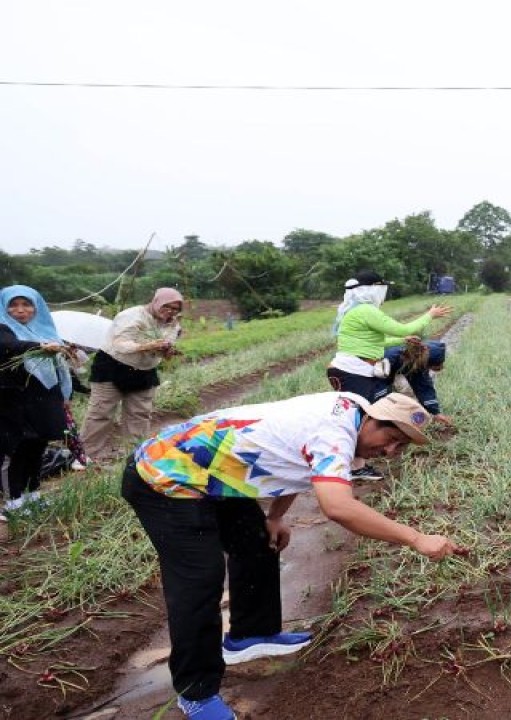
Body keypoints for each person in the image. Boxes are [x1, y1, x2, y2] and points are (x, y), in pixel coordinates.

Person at [122, 391, 465, 720]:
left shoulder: (352, 412)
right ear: (372, 419)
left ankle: (250, 635)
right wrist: (416, 538)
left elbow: (289, 463)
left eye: (400, 446)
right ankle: (195, 692)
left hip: (214, 470)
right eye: (390, 438)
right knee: (199, 580)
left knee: (258, 541)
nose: (390, 451)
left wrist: (275, 517)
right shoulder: (334, 434)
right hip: (166, 474)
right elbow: (338, 507)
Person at [327, 271, 452, 480]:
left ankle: (357, 464)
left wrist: (404, 339)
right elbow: (403, 328)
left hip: (352, 370)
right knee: (366, 416)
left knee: (365, 414)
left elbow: (376, 342)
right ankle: (354, 466)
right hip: (353, 372)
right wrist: (430, 315)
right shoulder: (366, 310)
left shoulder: (357, 311)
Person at [82, 288, 184, 462]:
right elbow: (120, 344)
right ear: (156, 301)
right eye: (167, 306)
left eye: (175, 309)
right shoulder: (131, 316)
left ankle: (133, 455)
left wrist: (168, 352)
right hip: (113, 366)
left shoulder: (172, 324)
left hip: (144, 371)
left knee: (139, 414)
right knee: (101, 412)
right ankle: (88, 455)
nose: (170, 311)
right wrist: (147, 346)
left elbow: (164, 353)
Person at [0, 285, 72, 514]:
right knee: (17, 449)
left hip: (44, 400)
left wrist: (70, 390)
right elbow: (9, 346)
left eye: (27, 304)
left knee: (38, 446)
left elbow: (59, 368)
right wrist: (38, 347)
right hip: (14, 401)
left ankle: (33, 493)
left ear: (36, 306)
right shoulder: (3, 329)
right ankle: (14, 500)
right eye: (14, 305)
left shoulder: (45, 330)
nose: (21, 310)